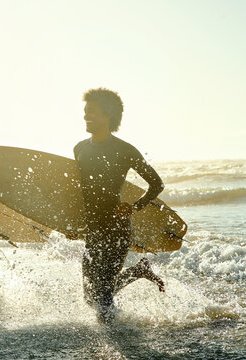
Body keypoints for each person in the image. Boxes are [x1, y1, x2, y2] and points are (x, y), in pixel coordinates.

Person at [73, 88, 165, 323]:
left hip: (117, 229)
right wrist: (71, 224)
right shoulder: (79, 149)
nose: (85, 116)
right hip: (93, 230)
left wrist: (134, 207)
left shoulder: (124, 150)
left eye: (91, 112)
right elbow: (79, 192)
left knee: (103, 302)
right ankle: (138, 271)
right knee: (90, 297)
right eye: (85, 112)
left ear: (108, 115)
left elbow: (156, 184)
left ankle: (113, 348)